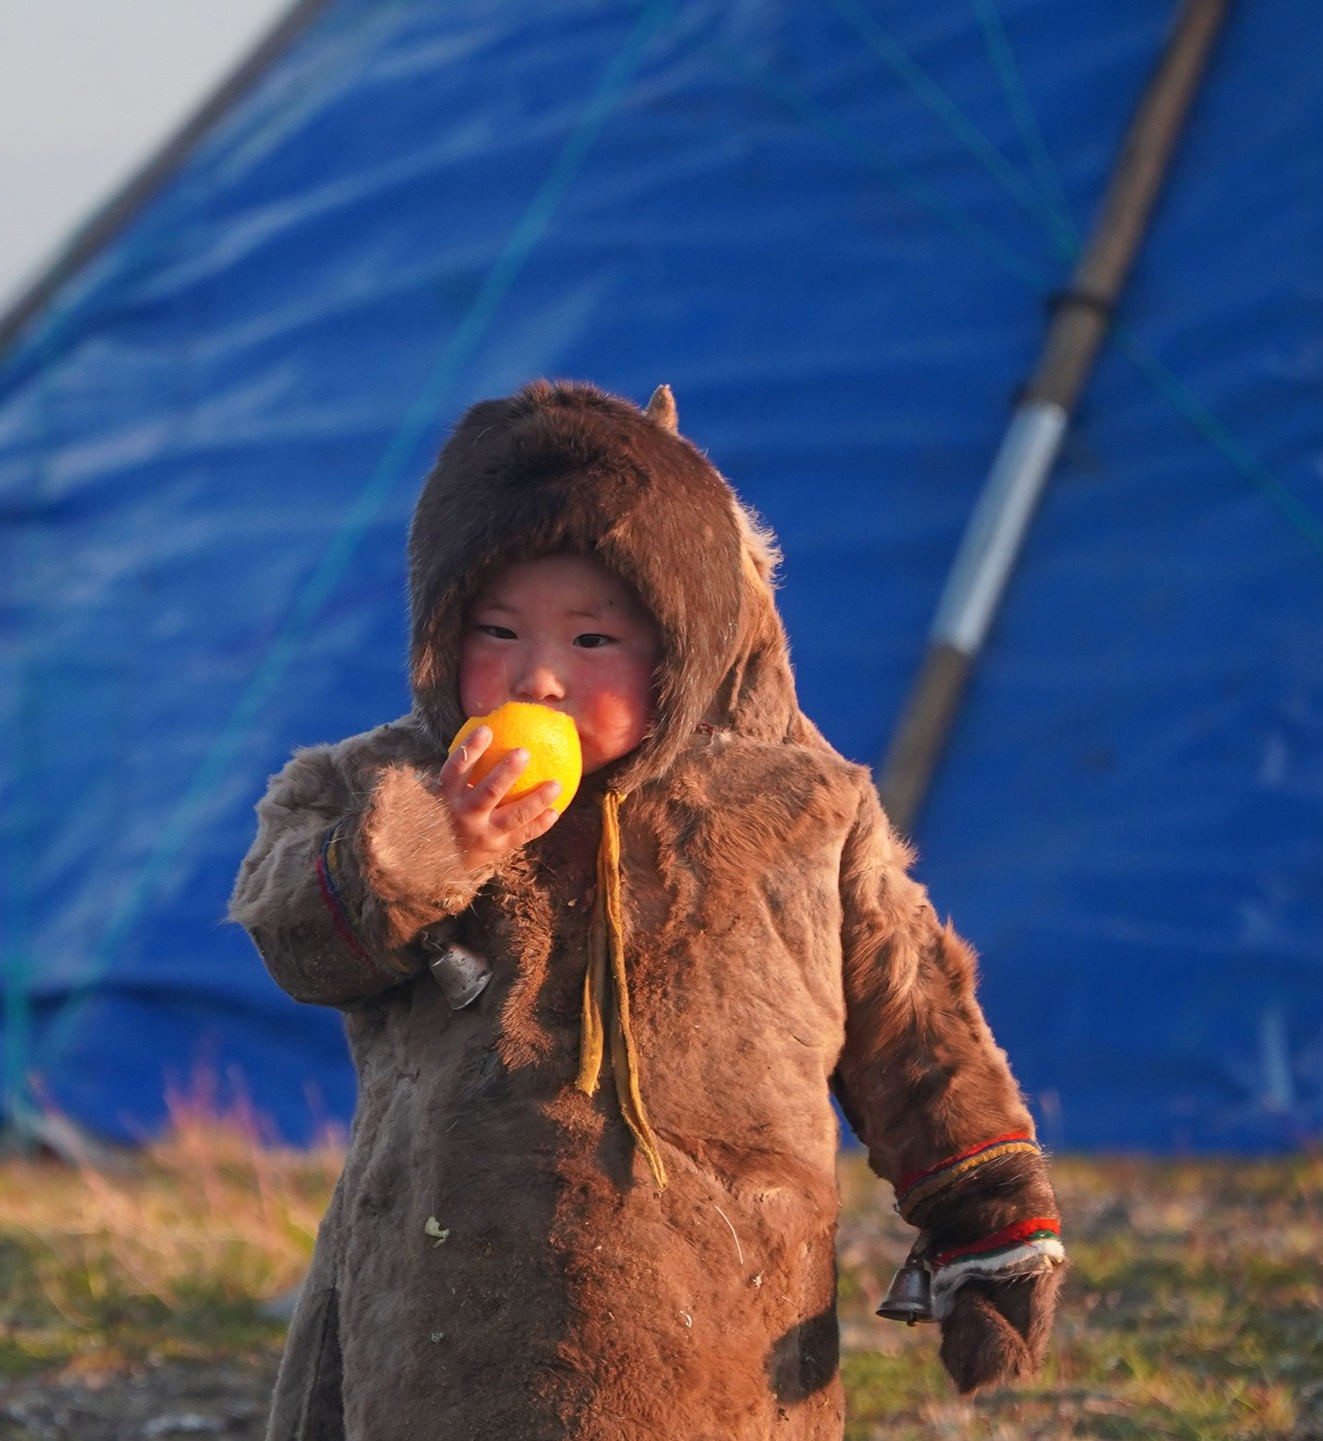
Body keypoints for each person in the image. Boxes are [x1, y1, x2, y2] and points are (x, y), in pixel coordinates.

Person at [232, 381, 1063, 1439]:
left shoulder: (798, 813)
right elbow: (295, 938)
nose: (538, 677)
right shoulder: (387, 785)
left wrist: (988, 1220)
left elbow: (915, 1020)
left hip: (724, 1328)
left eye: (592, 642)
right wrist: (439, 843)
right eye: (497, 631)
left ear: (684, 644)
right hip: (451, 1323)